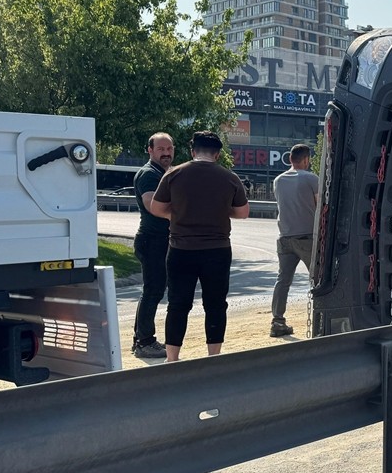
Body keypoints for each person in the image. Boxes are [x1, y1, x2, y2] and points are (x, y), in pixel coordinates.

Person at [149, 131, 249, 361]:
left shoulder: (174, 174)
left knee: (177, 304)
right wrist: (221, 211)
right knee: (215, 304)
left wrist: (178, 215)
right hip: (217, 250)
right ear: (218, 154)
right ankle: (213, 356)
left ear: (193, 151)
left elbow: (156, 208)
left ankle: (172, 357)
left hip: (180, 249)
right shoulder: (229, 177)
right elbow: (243, 212)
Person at [131, 132, 174, 359]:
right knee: (153, 290)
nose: (166, 153)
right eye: (161, 149)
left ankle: (140, 338)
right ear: (150, 150)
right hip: (152, 241)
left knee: (152, 290)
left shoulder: (163, 172)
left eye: (169, 148)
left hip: (157, 240)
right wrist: (185, 215)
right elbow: (153, 206)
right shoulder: (149, 174)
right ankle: (145, 342)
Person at [270, 143, 318, 338]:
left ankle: (277, 321)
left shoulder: (278, 180)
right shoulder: (311, 178)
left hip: (284, 238)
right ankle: (320, 318)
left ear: (290, 159)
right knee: (318, 279)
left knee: (283, 280)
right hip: (306, 237)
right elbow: (321, 205)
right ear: (306, 160)